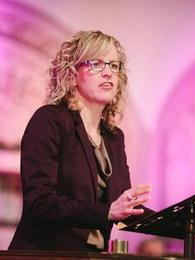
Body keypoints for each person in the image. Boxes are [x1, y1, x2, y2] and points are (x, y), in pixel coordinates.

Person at [8, 31, 153, 252]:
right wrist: (106, 212)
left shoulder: (114, 137)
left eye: (114, 66)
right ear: (72, 73)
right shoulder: (50, 120)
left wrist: (182, 219)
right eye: (96, 64)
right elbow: (39, 201)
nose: (108, 73)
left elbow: (122, 208)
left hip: (92, 255)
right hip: (45, 253)